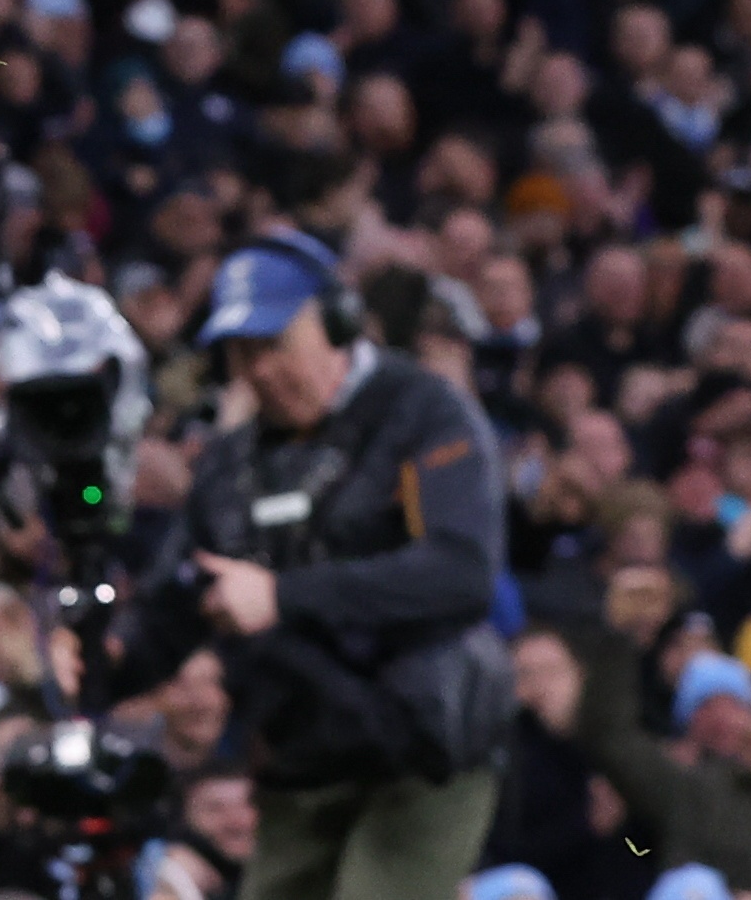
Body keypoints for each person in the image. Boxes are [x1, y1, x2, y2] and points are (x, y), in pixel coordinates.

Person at [119, 242, 511, 900]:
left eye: (274, 344)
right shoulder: (228, 464)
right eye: (242, 353)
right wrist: (104, 655)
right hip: (302, 755)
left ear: (336, 324)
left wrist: (283, 594)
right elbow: (173, 604)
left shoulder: (422, 411)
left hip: (422, 749)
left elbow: (460, 572)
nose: (260, 370)